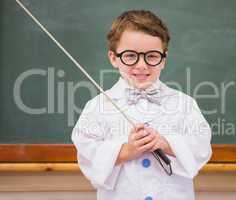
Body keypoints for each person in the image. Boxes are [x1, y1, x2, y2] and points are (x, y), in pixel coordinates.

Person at [71, 10, 212, 200]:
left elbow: (200, 148)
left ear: (164, 59)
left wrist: (167, 143)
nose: (141, 65)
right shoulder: (96, 107)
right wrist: (126, 151)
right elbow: (88, 156)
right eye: (130, 56)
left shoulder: (184, 104)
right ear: (113, 58)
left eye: (152, 56)